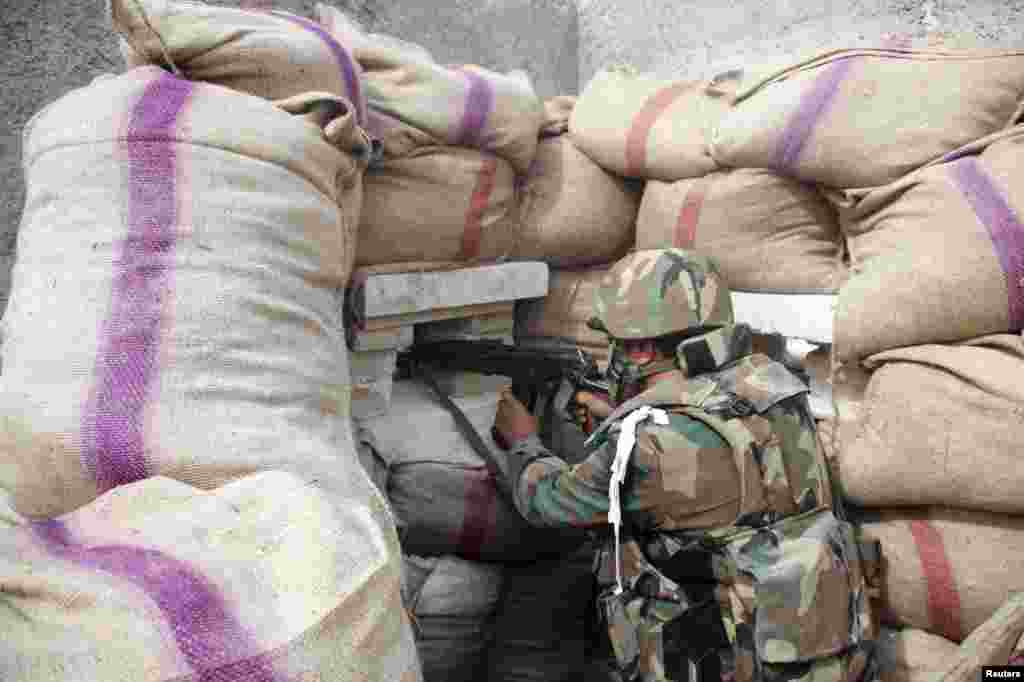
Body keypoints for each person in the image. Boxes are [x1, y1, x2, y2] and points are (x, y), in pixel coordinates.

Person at [492, 249, 880, 682]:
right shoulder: (772, 387)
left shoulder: (647, 443)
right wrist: (624, 416)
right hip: (817, 646)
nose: (612, 355)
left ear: (639, 349)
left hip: (726, 660)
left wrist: (523, 440)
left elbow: (547, 501)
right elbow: (715, 454)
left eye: (616, 342)